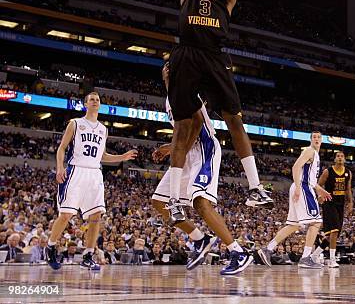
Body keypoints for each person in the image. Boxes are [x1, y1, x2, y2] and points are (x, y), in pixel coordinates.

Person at [166, 0, 272, 224]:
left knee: (234, 118)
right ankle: (173, 200)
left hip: (214, 57)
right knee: (184, 128)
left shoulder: (227, 2)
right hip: (186, 54)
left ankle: (255, 187)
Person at [152, 62, 254, 275]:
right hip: (186, 153)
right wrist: (169, 148)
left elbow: (197, 123)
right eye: (167, 65)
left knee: (200, 202)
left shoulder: (187, 91)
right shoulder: (169, 99)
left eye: (174, 65)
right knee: (159, 202)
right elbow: (183, 132)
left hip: (204, 151)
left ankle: (238, 252)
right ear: (162, 73)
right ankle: (200, 238)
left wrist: (178, 150)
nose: (170, 68)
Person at [46, 92, 137, 271]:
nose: (95, 101)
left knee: (96, 216)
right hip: (75, 171)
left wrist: (122, 157)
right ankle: (50, 246)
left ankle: (88, 255)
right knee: (66, 215)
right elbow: (62, 148)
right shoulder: (75, 123)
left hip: (95, 173)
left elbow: (102, 156)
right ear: (85, 104)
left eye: (97, 100)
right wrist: (59, 167)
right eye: (92, 99)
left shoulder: (104, 129)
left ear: (100, 105)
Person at [258, 132, 332, 269]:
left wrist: (321, 190)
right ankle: (305, 258)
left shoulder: (315, 155)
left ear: (322, 140)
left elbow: (311, 179)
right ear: (311, 140)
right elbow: (295, 167)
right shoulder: (309, 151)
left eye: (318, 137)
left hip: (303, 187)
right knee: (316, 222)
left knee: (294, 225)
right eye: (314, 137)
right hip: (303, 188)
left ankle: (267, 249)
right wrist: (298, 187)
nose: (316, 139)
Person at [312, 151, 353, 268]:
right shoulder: (327, 171)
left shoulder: (348, 173)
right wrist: (320, 195)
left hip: (340, 204)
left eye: (342, 156)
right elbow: (317, 185)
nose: (340, 158)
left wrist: (350, 202)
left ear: (344, 159)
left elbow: (348, 189)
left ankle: (315, 255)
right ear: (334, 159)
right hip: (329, 203)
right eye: (338, 156)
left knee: (332, 235)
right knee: (334, 231)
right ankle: (332, 260)